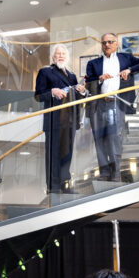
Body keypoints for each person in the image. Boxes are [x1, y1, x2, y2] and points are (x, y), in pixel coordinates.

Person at [85, 33, 139, 181]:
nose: (106, 45)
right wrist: (100, 79)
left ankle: (115, 172)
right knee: (99, 139)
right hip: (98, 104)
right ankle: (104, 172)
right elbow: (88, 82)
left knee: (114, 138)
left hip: (117, 103)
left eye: (110, 42)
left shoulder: (126, 58)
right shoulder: (93, 63)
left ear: (116, 44)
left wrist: (129, 70)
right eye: (104, 43)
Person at [35, 44, 86, 193]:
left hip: (70, 121)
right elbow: (38, 95)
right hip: (54, 121)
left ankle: (65, 184)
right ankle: (53, 187)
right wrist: (52, 91)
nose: (61, 56)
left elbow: (75, 97)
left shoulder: (72, 76)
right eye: (58, 54)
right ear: (53, 56)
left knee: (67, 154)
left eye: (63, 54)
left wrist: (81, 91)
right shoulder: (45, 72)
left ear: (67, 57)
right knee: (53, 155)